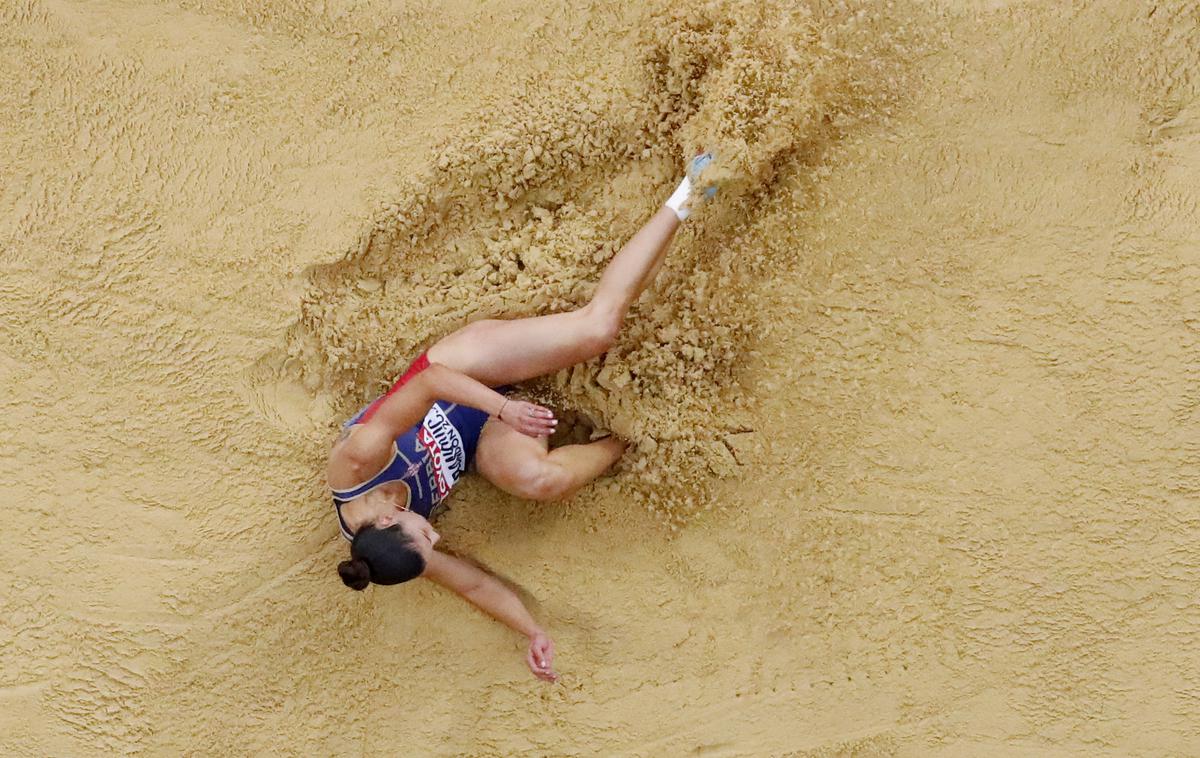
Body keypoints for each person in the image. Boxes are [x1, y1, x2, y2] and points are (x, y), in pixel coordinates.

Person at [327, 152, 719, 681]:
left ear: (391, 518)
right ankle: (629, 435)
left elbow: (431, 383)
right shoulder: (393, 550)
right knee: (538, 480)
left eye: (426, 534)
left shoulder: (359, 465)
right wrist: (530, 630)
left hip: (463, 372)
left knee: (597, 330)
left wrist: (504, 403)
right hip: (482, 430)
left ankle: (690, 189)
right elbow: (473, 584)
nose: (437, 538)